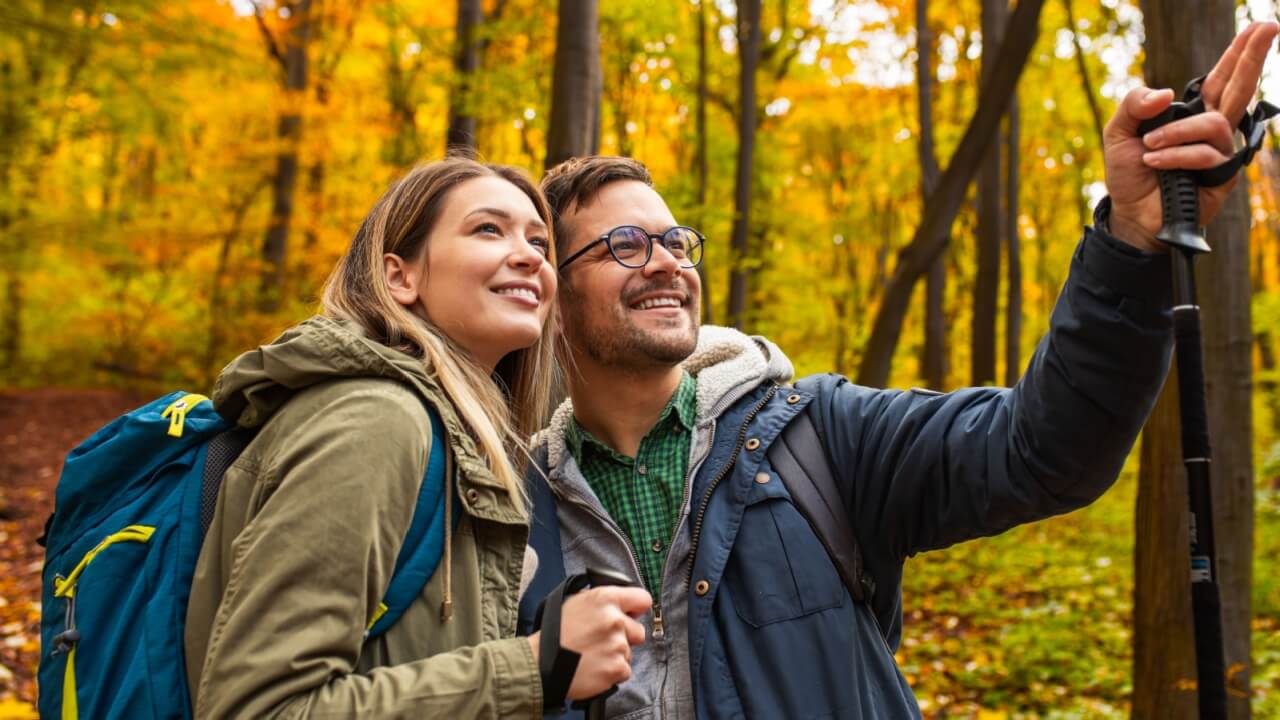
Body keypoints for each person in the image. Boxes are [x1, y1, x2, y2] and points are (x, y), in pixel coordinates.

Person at [519, 23, 1279, 719]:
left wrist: (1131, 244)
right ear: (553, 292)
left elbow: (1043, 449)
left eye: (676, 242)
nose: (665, 264)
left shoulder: (819, 440)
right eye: (624, 245)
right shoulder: (508, 505)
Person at [183, 158, 650, 719]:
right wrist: (533, 667)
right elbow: (260, 708)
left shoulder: (459, 439)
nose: (530, 256)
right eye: (487, 229)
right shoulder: (375, 423)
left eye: (539, 242)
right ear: (400, 277)